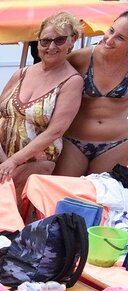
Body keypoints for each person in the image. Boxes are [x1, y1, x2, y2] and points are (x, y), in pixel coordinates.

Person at [0, 12, 83, 194]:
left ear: (72, 41)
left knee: (12, 215)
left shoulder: (71, 81)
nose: (51, 47)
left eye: (60, 40)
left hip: (33, 161)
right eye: (45, 41)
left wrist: (15, 160)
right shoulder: (21, 74)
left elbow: (55, 131)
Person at [56, 11, 128, 175]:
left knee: (100, 198)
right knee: (63, 194)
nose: (109, 39)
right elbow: (46, 75)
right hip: (74, 141)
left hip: (117, 143)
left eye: (120, 38)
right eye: (111, 30)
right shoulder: (80, 58)